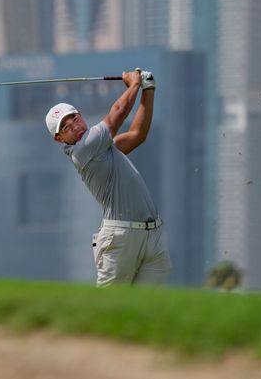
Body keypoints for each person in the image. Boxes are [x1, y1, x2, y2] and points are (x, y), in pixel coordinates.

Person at [45, 69, 171, 287]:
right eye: (66, 128)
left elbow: (137, 135)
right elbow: (118, 113)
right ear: (59, 138)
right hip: (120, 236)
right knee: (110, 304)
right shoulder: (83, 149)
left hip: (152, 234)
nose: (75, 127)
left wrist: (148, 89)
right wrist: (134, 84)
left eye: (75, 119)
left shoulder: (103, 148)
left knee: (149, 304)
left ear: (81, 115)